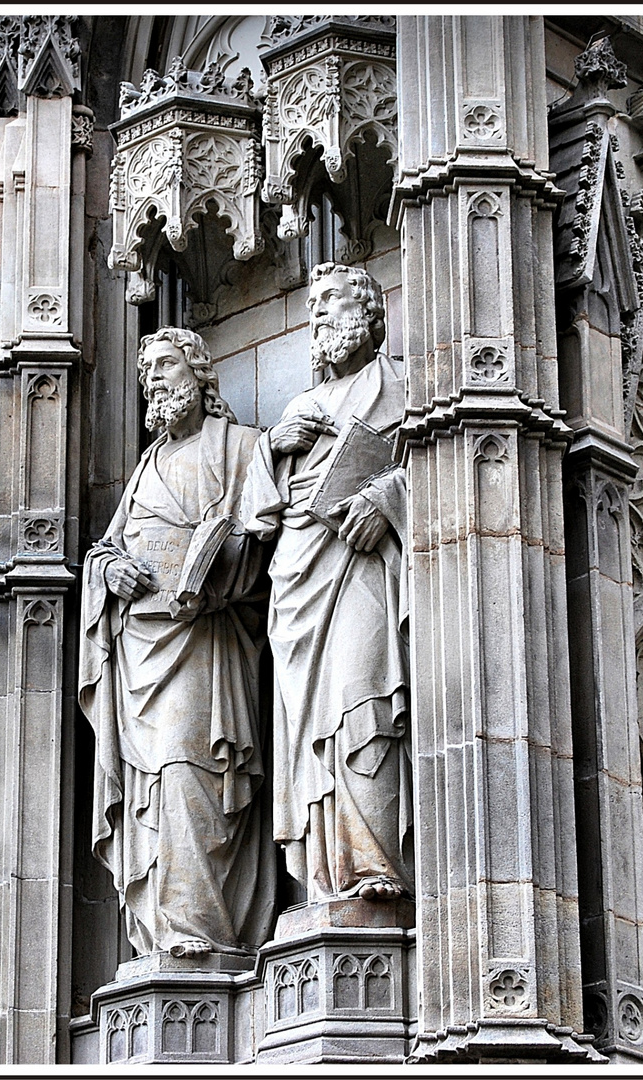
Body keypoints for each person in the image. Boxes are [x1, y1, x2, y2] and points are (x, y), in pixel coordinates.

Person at [79, 327, 273, 958]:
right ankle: (163, 933)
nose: (154, 381)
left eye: (165, 366)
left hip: (205, 641)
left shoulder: (242, 447)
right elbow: (110, 545)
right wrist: (108, 571)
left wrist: (220, 565)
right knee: (155, 789)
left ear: (199, 373)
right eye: (146, 372)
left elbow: (269, 536)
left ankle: (203, 933)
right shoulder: (143, 468)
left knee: (192, 773)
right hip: (141, 649)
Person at [243, 262, 412, 903]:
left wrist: (387, 498)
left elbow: (449, 477)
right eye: (313, 305)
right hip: (298, 580)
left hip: (363, 567)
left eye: (334, 302)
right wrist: (272, 449)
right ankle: (324, 878)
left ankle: (373, 866)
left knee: (363, 699)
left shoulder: (402, 389)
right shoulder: (301, 409)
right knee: (309, 730)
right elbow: (257, 515)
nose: (319, 315)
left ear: (371, 316)